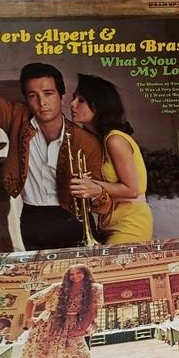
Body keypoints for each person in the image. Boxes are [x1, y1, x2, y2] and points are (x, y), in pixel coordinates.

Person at [0, 23, 111, 250]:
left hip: (72, 220)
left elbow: (102, 205)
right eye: (33, 96)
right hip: (32, 219)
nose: (42, 102)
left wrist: (97, 192)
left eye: (48, 93)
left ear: (62, 97)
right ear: (26, 100)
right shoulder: (16, 118)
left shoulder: (87, 142)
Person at [67, 74, 153, 243]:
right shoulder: (100, 139)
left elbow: (132, 190)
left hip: (130, 223)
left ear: (98, 106)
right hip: (110, 223)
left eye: (81, 100)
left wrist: (92, 186)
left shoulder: (114, 140)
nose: (72, 104)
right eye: (73, 98)